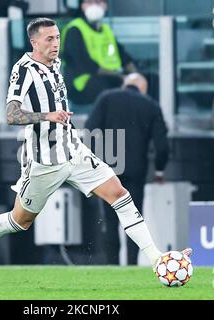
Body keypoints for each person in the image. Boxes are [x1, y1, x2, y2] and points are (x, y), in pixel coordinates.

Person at [0, 18, 191, 275]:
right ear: (34, 42)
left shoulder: (56, 64)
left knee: (120, 194)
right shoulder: (24, 70)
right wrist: (46, 115)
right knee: (20, 221)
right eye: (49, 39)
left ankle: (156, 259)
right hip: (45, 160)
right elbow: (11, 115)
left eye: (58, 38)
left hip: (73, 149)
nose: (56, 44)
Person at [85, 73, 169, 265]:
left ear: (125, 84)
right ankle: (132, 263)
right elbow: (162, 145)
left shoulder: (106, 98)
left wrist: (92, 162)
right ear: (143, 88)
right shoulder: (151, 106)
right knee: (134, 218)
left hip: (109, 170)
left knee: (110, 219)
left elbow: (90, 129)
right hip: (136, 170)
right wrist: (159, 170)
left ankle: (112, 264)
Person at [61, 0, 137, 112]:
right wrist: (121, 77)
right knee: (110, 85)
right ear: (82, 6)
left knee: (148, 79)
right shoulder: (74, 29)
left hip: (111, 78)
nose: (94, 6)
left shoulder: (106, 29)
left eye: (98, 2)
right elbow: (84, 64)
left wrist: (135, 75)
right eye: (90, 2)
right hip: (83, 85)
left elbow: (124, 56)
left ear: (105, 6)